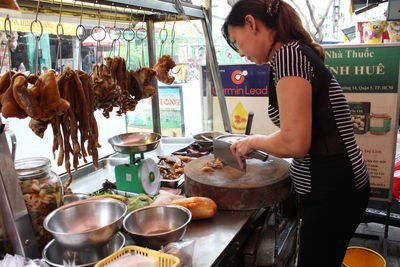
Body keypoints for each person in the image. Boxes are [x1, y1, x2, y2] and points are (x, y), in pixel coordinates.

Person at [222, 1, 370, 266]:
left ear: (251, 24)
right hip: (337, 189)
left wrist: (253, 141)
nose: (240, 53)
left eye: (236, 42)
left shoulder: (289, 56)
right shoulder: (289, 55)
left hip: (334, 194)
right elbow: (299, 132)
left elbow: (295, 141)